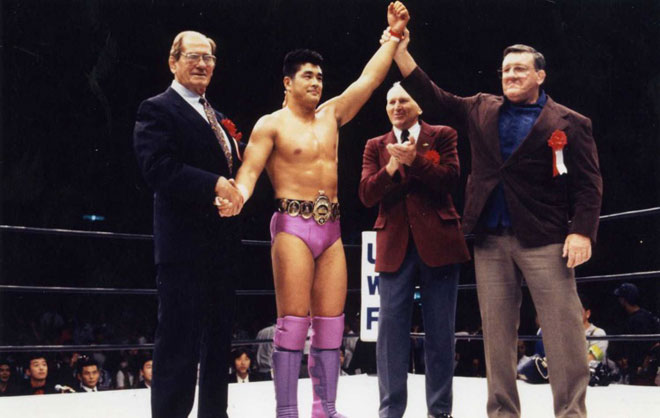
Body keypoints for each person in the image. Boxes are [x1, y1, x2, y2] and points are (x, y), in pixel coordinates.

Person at [386, 29, 603, 417]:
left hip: (545, 239)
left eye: (520, 69)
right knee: (497, 338)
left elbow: (589, 184)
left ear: (540, 76)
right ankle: (502, 414)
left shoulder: (570, 122)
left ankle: (571, 413)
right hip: (490, 238)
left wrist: (582, 230)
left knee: (565, 334)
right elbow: (434, 96)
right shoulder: (481, 107)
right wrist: (402, 52)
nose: (511, 75)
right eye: (505, 70)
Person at [223, 4, 410, 417]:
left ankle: (324, 408)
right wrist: (237, 195)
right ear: (287, 82)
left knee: (331, 323)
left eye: (320, 76)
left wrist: (393, 36)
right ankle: (286, 411)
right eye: (307, 75)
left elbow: (370, 79)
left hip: (331, 229)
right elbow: (250, 170)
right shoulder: (270, 124)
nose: (316, 82)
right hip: (290, 225)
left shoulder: (332, 116)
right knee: (292, 322)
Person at [133, 30, 244, 418]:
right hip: (183, 248)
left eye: (209, 58)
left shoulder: (216, 114)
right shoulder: (157, 108)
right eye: (194, 56)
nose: (202, 64)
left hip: (222, 247)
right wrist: (212, 183)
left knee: (217, 344)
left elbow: (234, 170)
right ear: (173, 61)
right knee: (178, 345)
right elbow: (157, 168)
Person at [359, 82, 470, 418]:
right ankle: (390, 412)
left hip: (439, 242)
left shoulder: (443, 134)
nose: (396, 106)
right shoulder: (375, 145)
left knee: (440, 332)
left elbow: (451, 178)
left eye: (403, 100)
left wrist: (416, 161)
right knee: (390, 334)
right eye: (391, 101)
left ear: (418, 105)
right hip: (394, 245)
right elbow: (365, 194)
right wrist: (392, 169)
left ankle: (440, 411)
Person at [614, 282, 660, 384]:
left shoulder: (639, 319)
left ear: (623, 300)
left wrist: (642, 365)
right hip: (637, 367)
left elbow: (648, 345)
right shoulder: (641, 316)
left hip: (642, 368)